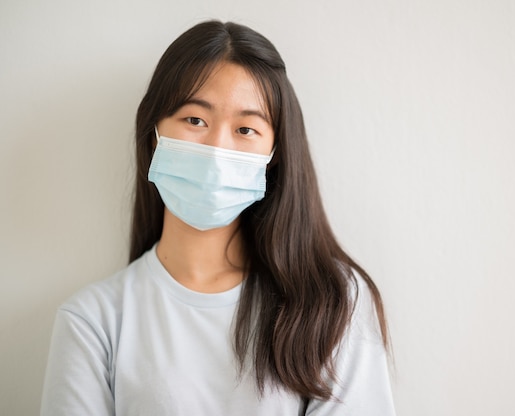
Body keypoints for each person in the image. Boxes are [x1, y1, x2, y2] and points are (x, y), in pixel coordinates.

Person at [41, 20, 395, 415]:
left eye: (246, 129)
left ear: (274, 155)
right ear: (153, 131)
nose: (216, 151)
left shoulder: (334, 301)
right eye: (195, 120)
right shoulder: (93, 322)